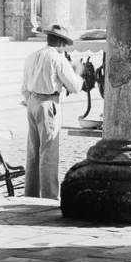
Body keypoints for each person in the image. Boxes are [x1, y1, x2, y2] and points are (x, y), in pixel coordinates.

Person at [21, 24, 84, 199]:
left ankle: (30, 195)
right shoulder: (58, 59)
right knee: (48, 152)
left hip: (32, 101)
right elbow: (74, 86)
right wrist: (78, 72)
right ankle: (49, 197)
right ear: (61, 43)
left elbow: (24, 86)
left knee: (33, 151)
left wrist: (30, 100)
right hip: (48, 103)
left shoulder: (32, 56)